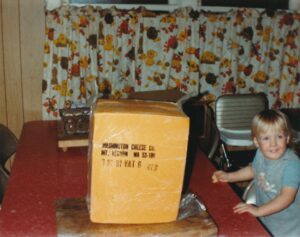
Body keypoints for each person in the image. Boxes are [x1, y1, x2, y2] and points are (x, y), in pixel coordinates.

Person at [212, 109, 300, 237]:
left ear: (287, 138)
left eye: (279, 136)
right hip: (267, 218)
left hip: (288, 227)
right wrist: (230, 177)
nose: (273, 143)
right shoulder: (261, 153)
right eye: (266, 138)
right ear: (257, 142)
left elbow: (286, 197)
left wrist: (258, 211)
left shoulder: (292, 165)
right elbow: (254, 170)